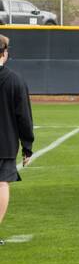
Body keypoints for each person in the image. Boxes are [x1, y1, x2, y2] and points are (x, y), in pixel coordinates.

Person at [0, 34, 34, 231]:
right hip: (4, 143)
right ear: (5, 53)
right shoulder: (15, 81)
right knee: (2, 184)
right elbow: (24, 116)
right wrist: (27, 146)